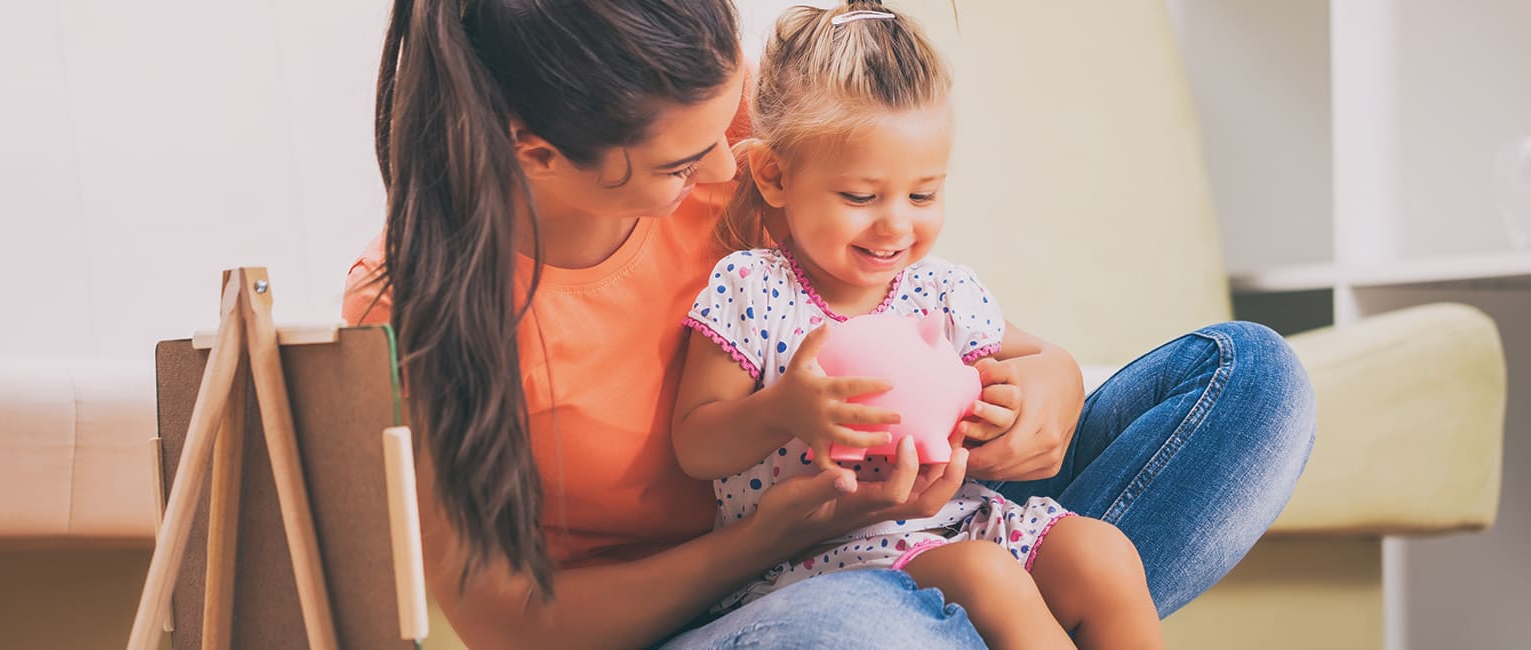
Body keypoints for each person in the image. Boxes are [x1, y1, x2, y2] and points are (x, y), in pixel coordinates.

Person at [342, 0, 1316, 647]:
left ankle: (993, 604)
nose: (728, 177)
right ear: (538, 151)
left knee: (1250, 383)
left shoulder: (716, 131)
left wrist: (1046, 383)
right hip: (720, 602)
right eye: (681, 166)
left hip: (911, 507)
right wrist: (762, 540)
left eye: (729, 131)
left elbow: (934, 315)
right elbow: (512, 622)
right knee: (862, 625)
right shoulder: (418, 308)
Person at [670, 5, 1161, 647]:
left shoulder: (943, 291)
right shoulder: (754, 290)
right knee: (989, 578)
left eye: (923, 195)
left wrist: (1006, 405)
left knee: (1105, 555)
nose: (897, 225)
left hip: (959, 518)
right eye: (860, 197)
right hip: (816, 557)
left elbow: (1031, 363)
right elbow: (694, 444)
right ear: (775, 175)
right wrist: (782, 411)